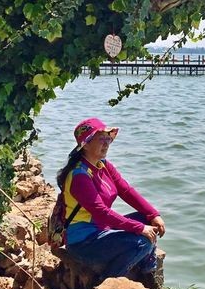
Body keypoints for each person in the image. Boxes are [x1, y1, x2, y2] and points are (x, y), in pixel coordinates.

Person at [56, 117, 165, 280]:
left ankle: (147, 271)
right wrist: (139, 228)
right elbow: (101, 212)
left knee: (148, 222)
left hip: (102, 229)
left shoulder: (103, 165)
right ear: (85, 144)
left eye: (108, 139)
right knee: (143, 242)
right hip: (84, 243)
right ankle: (105, 282)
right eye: (101, 139)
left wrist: (153, 214)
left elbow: (126, 191)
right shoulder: (79, 175)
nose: (106, 143)